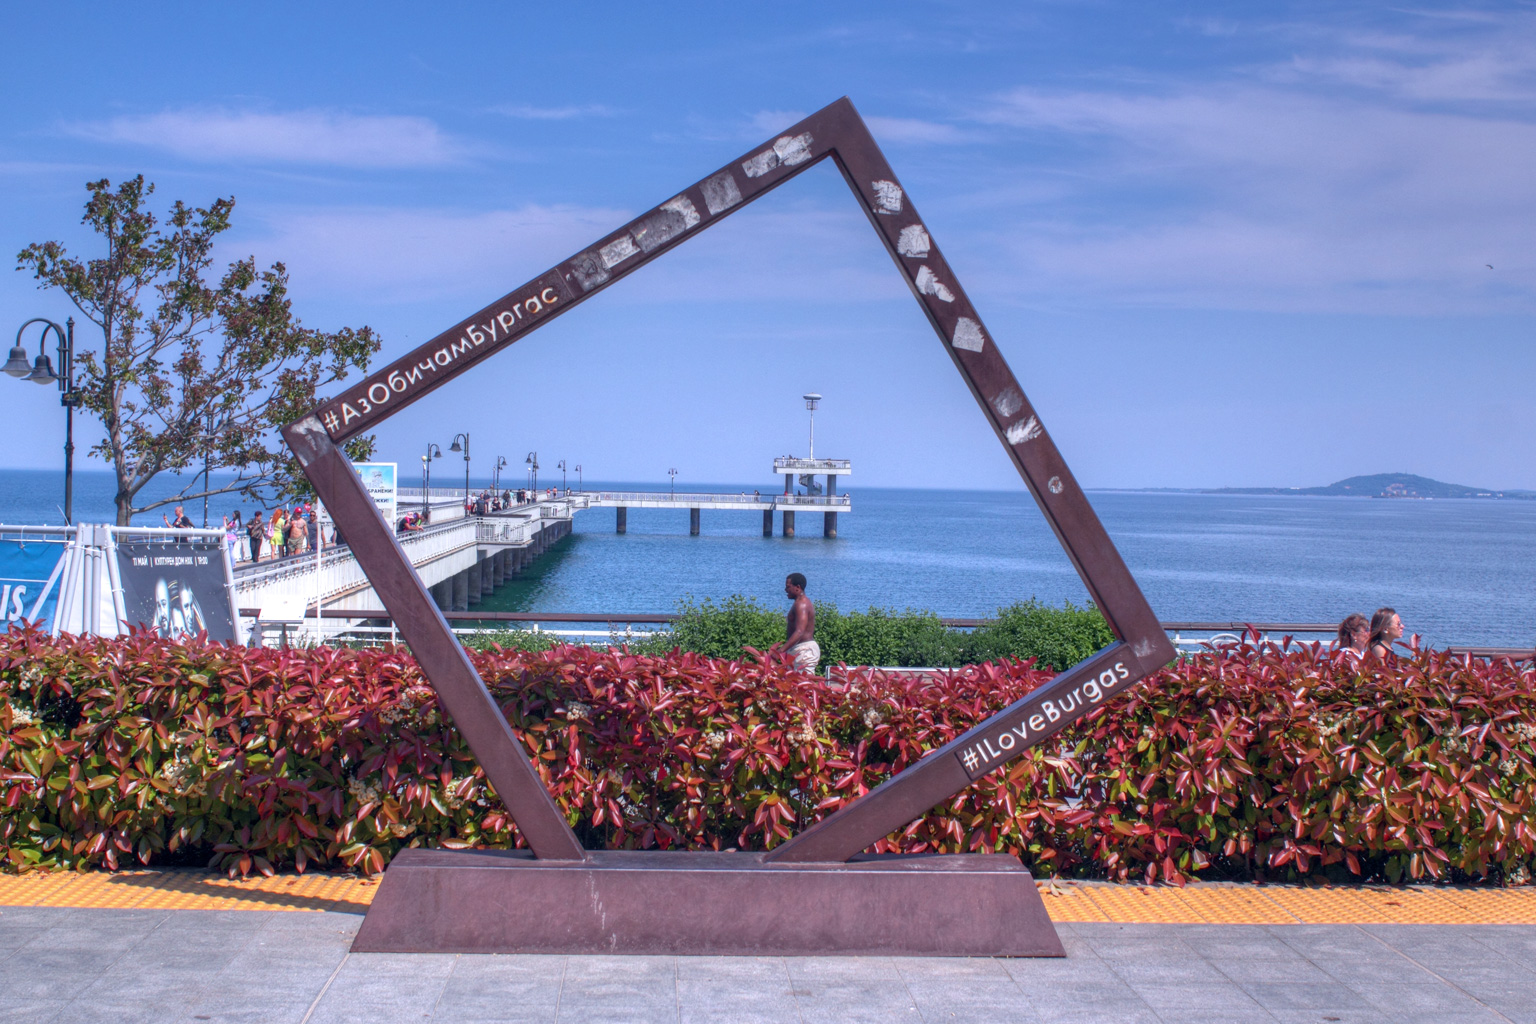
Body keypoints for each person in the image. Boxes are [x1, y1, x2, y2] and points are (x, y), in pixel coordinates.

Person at [773, 572, 819, 673]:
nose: (785, 590)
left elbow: (799, 631)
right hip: (799, 650)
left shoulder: (801, 604)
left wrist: (780, 651)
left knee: (804, 686)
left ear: (797, 587)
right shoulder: (800, 603)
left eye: (788, 587)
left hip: (804, 651)